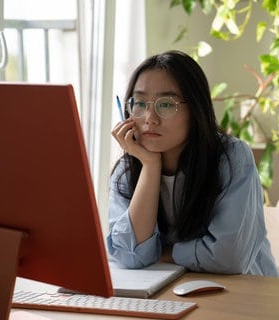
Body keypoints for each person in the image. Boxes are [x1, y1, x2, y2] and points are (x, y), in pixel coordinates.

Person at [107, 50, 278, 276]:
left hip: (245, 294)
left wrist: (164, 251)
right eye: (139, 103)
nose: (150, 118)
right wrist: (150, 166)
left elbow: (229, 258)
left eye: (166, 104)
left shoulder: (231, 157)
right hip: (170, 291)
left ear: (196, 109)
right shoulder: (127, 170)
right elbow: (129, 255)